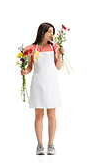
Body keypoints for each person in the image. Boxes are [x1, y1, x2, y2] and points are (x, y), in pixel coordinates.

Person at [21, 22, 64, 155]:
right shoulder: (31, 48)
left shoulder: (54, 48)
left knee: (52, 116)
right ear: (42, 32)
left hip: (51, 84)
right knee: (38, 116)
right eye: (49, 31)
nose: (52, 34)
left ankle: (50, 144)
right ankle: (39, 145)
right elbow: (29, 67)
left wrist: (61, 54)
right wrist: (24, 72)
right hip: (38, 84)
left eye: (53, 31)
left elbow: (58, 67)